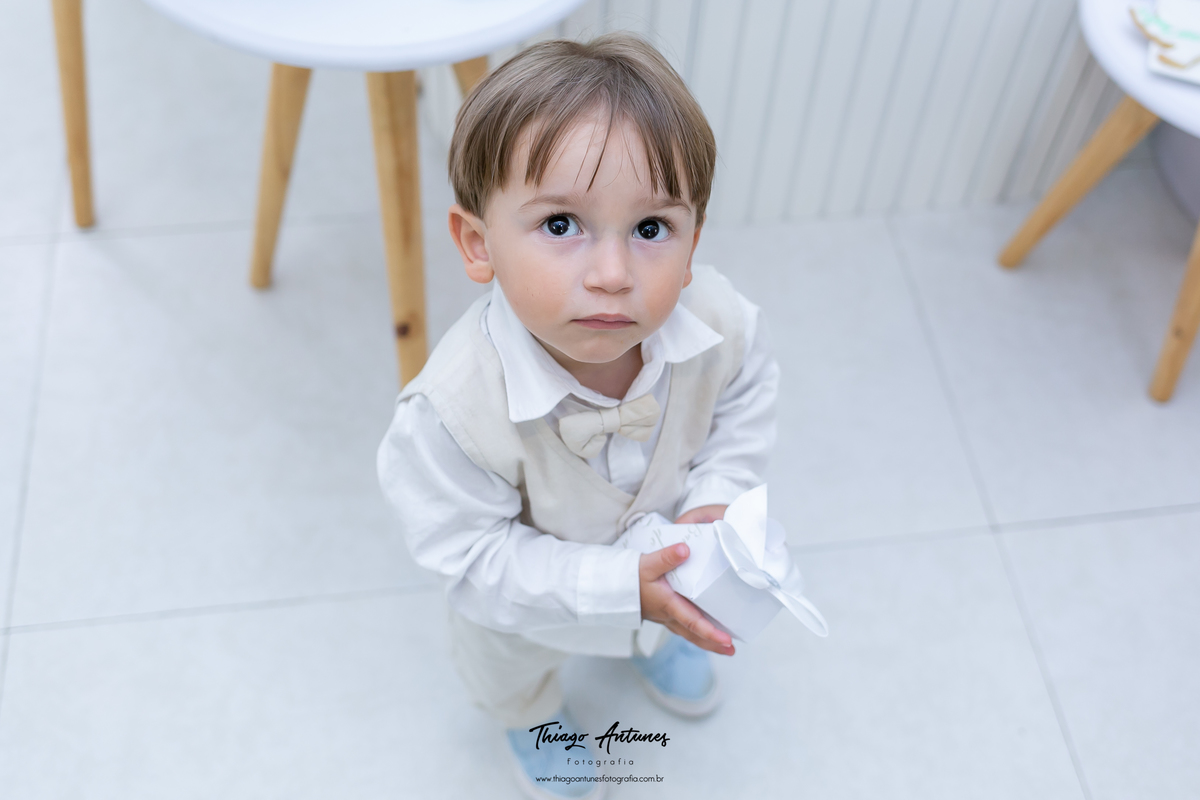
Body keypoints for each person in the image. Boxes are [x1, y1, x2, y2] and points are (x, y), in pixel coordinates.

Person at [377, 32, 778, 800]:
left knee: (665, 605)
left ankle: (651, 639)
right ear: (477, 241)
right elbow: (472, 560)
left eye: (651, 228)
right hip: (520, 615)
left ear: (693, 244)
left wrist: (715, 496)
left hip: (667, 555)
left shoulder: (719, 320)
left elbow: (747, 399)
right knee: (512, 670)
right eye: (561, 224)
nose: (612, 274)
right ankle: (535, 720)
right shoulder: (451, 412)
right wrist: (616, 584)